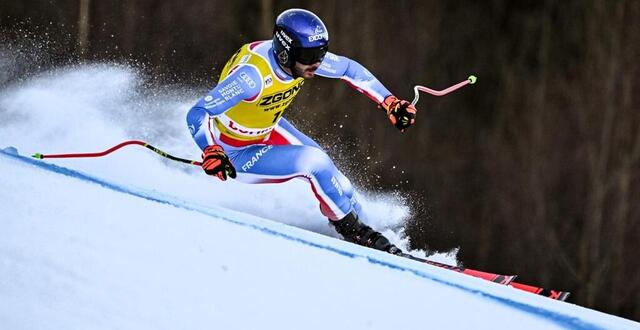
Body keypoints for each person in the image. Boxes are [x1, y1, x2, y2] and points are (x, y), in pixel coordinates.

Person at [186, 8, 417, 255]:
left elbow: (349, 69)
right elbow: (198, 113)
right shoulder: (251, 77)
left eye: (321, 53)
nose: (316, 63)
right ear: (285, 52)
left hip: (267, 128)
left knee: (338, 180)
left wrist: (389, 102)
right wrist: (211, 150)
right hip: (235, 152)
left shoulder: (302, 59)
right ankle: (356, 233)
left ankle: (373, 231)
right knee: (315, 163)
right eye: (309, 56)